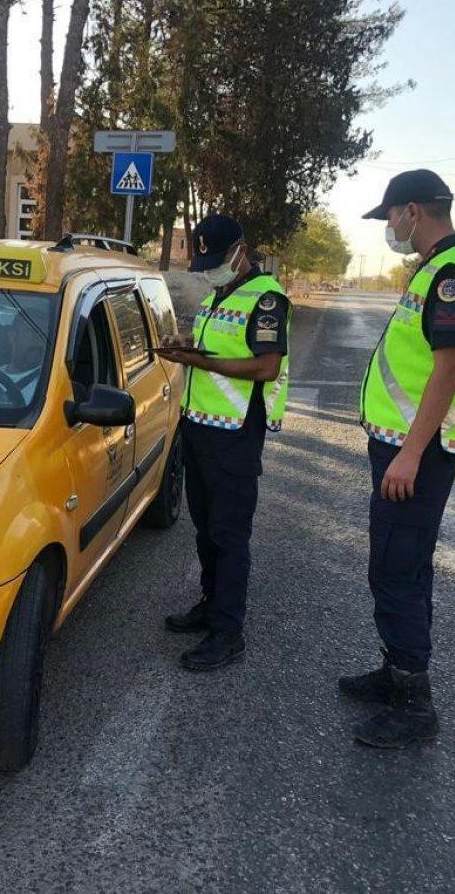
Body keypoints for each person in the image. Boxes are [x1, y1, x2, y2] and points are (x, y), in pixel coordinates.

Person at [340, 169, 455, 748]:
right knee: (404, 560)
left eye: (391, 215)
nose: (389, 226)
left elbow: (449, 367)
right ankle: (397, 670)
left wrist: (409, 454)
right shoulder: (440, 266)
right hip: (411, 445)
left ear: (413, 211)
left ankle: (413, 703)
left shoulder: (451, 273)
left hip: (419, 451)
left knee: (396, 565)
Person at [158, 215, 291, 671]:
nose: (210, 270)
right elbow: (218, 347)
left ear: (240, 251)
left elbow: (266, 367)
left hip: (235, 434)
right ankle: (211, 603)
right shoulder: (220, 294)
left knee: (229, 535)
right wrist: (185, 345)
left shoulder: (268, 299)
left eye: (217, 261)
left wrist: (199, 361)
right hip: (199, 425)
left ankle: (228, 631)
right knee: (205, 527)